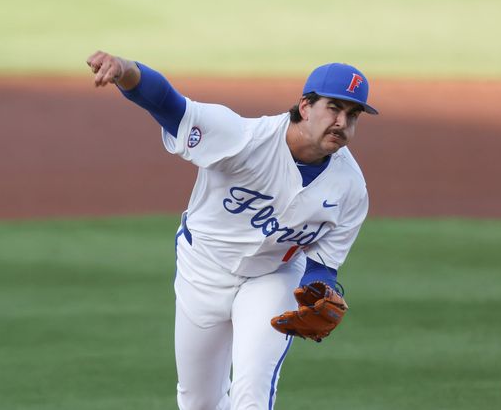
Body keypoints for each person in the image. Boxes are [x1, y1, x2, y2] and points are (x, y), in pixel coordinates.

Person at [86, 51, 377, 410]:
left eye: (353, 114)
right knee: (199, 402)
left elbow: (322, 266)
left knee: (251, 393)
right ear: (305, 106)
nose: (342, 122)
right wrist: (127, 71)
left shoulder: (350, 188)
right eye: (334, 108)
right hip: (202, 272)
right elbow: (170, 105)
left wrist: (318, 291)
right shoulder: (243, 137)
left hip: (272, 277)